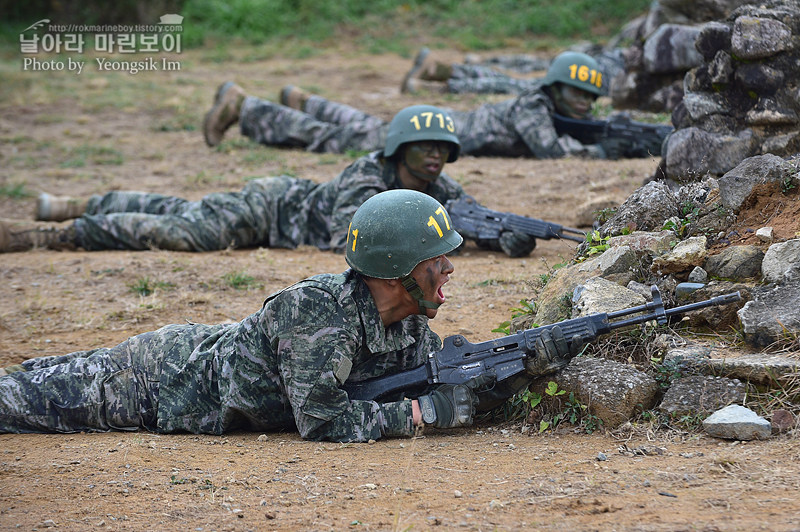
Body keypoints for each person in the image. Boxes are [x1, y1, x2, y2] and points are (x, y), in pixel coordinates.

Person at [0, 190, 574, 440]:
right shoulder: (318, 316)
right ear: (397, 268)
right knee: (22, 400)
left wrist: (522, 366)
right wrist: (422, 416)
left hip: (189, 374)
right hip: (155, 382)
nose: (449, 268)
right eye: (436, 260)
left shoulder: (408, 324)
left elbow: (432, 381)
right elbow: (322, 421)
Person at [0, 104, 535, 257]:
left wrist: (497, 236)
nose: (436, 156)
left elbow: (471, 216)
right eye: (425, 148)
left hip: (271, 208)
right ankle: (54, 235)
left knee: (187, 210)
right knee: (194, 233)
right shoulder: (364, 177)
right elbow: (349, 243)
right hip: (270, 210)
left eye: (443, 148)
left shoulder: (438, 191)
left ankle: (86, 201)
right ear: (399, 149)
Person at [210, 51, 619, 159]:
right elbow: (549, 150)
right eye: (576, 93)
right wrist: (599, 149)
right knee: (334, 139)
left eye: (589, 97)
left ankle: (306, 101)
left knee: (366, 125)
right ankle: (244, 107)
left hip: (436, 127)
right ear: (554, 87)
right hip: (431, 133)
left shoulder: (545, 105)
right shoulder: (534, 107)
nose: (584, 103)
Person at [400, 47, 624, 97]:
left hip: (607, 61)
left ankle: (447, 71)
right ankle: (439, 83)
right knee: (519, 82)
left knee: (520, 75)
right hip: (609, 74)